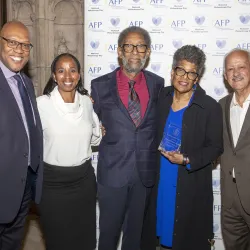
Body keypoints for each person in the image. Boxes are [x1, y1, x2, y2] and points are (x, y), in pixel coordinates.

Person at [91, 26, 164, 250]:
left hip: (144, 174)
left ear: (148, 52)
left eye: (140, 46)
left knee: (136, 238)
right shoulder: (99, 85)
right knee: (108, 235)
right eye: (129, 46)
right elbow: (89, 123)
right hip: (112, 173)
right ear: (119, 51)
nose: (134, 51)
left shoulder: (158, 84)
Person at [155, 45, 223, 250]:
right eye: (180, 70)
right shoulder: (161, 97)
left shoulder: (209, 106)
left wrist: (187, 159)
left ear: (197, 77)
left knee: (185, 239)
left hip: (189, 183)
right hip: (160, 181)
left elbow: (216, 147)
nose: (184, 76)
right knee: (159, 234)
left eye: (191, 72)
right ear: (172, 71)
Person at [37, 53, 101, 250]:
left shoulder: (87, 102)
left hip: (84, 182)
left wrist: (100, 130)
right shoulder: (40, 104)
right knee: (59, 241)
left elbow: (95, 136)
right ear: (54, 76)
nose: (67, 76)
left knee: (85, 239)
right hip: (52, 186)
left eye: (73, 70)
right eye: (61, 71)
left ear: (79, 75)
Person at [0, 21, 43, 249]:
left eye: (25, 45)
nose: (19, 50)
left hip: (23, 187)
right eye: (13, 42)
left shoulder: (26, 82)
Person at [220, 49, 250, 250]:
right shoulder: (220, 106)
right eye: (230, 69)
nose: (236, 72)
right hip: (230, 202)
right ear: (224, 76)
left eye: (241, 67)